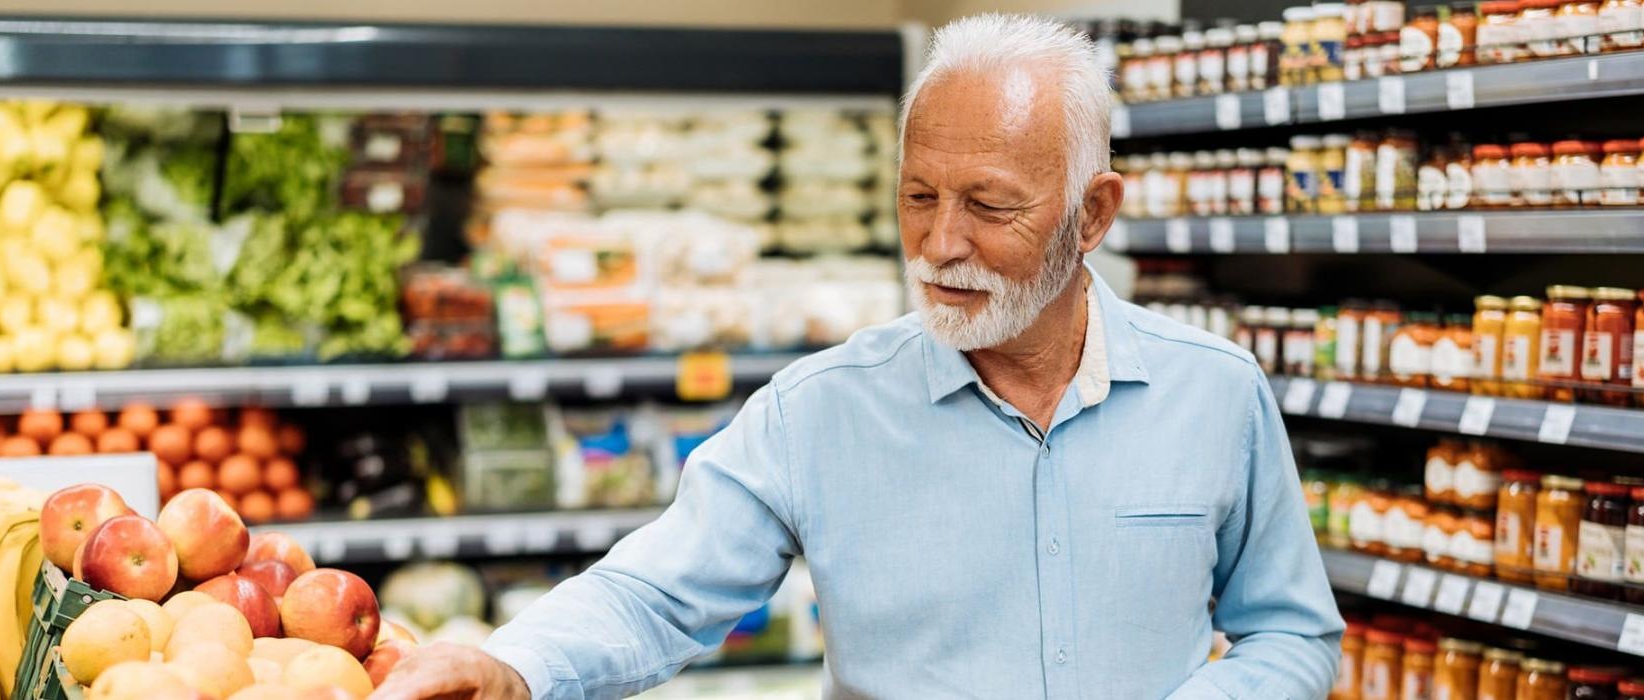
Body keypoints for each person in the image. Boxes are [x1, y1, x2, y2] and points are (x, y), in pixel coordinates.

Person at [372, 13, 1342, 700]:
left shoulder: (1214, 392)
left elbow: (1291, 628)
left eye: (989, 205)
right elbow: (654, 590)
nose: (941, 243)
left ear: (1092, 215)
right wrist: (519, 665)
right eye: (918, 196)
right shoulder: (820, 411)